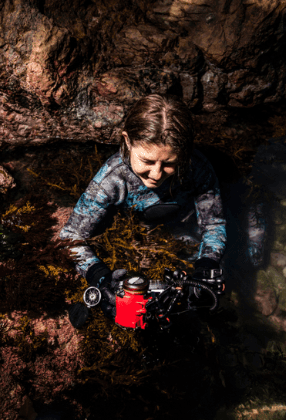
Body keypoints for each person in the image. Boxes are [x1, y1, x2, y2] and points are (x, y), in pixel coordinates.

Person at [59, 94, 226, 322]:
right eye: (147, 161)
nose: (157, 174)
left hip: (182, 230)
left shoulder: (197, 168)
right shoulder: (112, 179)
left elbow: (214, 224)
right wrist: (100, 276)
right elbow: (71, 236)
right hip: (137, 233)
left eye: (169, 163)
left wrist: (207, 264)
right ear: (127, 141)